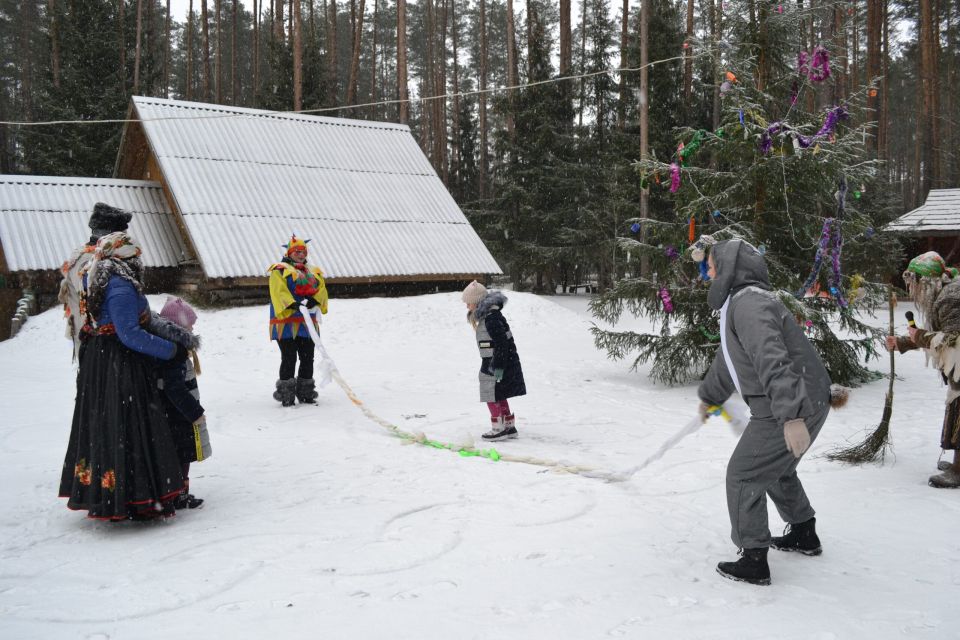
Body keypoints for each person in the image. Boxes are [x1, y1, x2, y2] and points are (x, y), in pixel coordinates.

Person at [697, 239, 832, 586]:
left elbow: (773, 359)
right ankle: (803, 532)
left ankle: (754, 559)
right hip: (803, 398)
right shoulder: (741, 303)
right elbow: (730, 359)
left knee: (744, 474)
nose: (707, 273)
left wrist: (792, 416)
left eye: (710, 266)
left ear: (728, 268)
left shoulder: (750, 304)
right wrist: (711, 396)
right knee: (775, 468)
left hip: (790, 403)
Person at [59, 231, 187, 521]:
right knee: (128, 425)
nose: (140, 261)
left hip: (102, 362)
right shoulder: (119, 286)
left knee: (108, 425)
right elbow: (130, 334)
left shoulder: (96, 275)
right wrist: (171, 350)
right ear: (125, 257)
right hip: (119, 363)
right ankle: (135, 497)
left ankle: (111, 492)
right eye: (136, 256)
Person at [885, 251, 960, 489]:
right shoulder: (945, 291)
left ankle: (959, 470)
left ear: (926, 282)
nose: (913, 290)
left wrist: (918, 336)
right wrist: (903, 342)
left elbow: (952, 339)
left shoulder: (950, 298)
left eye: (914, 284)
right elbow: (936, 336)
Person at [151, 296, 211, 509]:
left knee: (180, 453)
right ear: (179, 326)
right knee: (181, 453)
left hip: (174, 412)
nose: (193, 327)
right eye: (190, 324)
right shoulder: (174, 352)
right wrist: (194, 412)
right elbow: (174, 387)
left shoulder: (170, 348)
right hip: (177, 414)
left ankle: (177, 492)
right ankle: (178, 494)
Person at [59, 202, 133, 362]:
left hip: (96, 341)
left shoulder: (91, 257)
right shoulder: (89, 262)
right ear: (110, 235)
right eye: (122, 235)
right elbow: (103, 302)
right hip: (95, 344)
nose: (125, 239)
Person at [267, 235, 329, 406]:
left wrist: (315, 300)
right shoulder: (279, 270)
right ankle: (286, 394)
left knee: (308, 357)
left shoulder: (313, 271)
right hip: (286, 323)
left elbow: (322, 289)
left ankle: (306, 392)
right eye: (297, 252)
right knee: (289, 357)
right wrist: (292, 303)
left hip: (307, 323)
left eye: (303, 252)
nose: (301, 255)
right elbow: (278, 291)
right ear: (289, 252)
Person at [462, 280, 526, 441]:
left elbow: (502, 344)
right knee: (499, 393)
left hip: (496, 362)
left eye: (469, 302)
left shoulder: (491, 319)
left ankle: (498, 428)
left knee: (490, 393)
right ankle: (508, 426)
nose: (467, 306)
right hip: (500, 361)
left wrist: (497, 366)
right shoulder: (491, 316)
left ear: (477, 302)